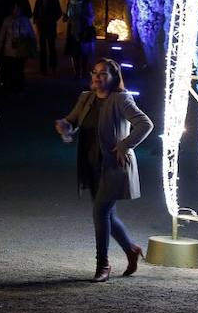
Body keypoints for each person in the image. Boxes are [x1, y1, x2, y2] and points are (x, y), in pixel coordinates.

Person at [54, 58, 154, 281]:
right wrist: (64, 126)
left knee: (100, 212)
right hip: (91, 164)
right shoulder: (86, 98)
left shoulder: (121, 99)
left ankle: (103, 264)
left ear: (113, 78)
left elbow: (145, 124)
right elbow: (72, 121)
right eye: (95, 73)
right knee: (107, 214)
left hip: (113, 165)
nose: (97, 77)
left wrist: (124, 145)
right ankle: (131, 249)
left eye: (103, 74)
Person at [0, 0, 34, 92]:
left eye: (17, 9)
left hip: (21, 49)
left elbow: (30, 33)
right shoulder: (7, 20)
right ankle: (12, 86)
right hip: (10, 50)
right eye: (14, 8)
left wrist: (31, 45)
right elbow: (2, 34)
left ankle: (19, 86)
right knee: (11, 68)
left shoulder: (24, 20)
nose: (16, 10)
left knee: (19, 69)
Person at [64, 0, 97, 79]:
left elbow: (90, 17)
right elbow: (69, 16)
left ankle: (84, 71)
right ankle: (76, 72)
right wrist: (67, 18)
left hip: (84, 30)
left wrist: (82, 18)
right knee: (74, 52)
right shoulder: (70, 3)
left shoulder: (86, 3)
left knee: (84, 52)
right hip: (72, 30)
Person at [33, 0, 63, 74]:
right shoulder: (39, 0)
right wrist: (36, 21)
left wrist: (52, 19)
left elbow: (59, 12)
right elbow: (35, 11)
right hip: (41, 26)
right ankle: (43, 68)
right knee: (42, 48)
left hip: (50, 26)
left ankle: (53, 66)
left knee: (51, 47)